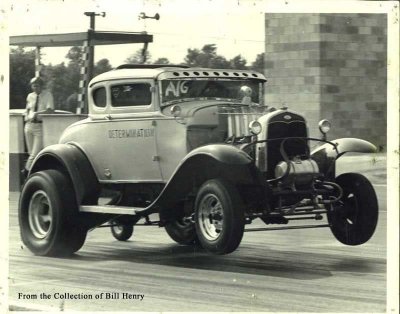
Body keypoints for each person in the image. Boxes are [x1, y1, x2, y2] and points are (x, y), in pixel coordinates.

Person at [22, 77, 54, 177]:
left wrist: (37, 113)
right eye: (33, 85)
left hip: (39, 127)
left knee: (34, 154)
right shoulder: (30, 96)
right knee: (31, 153)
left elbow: (50, 110)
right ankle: (32, 175)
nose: (35, 87)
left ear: (41, 86)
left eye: (37, 85)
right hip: (28, 126)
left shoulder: (47, 95)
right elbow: (27, 109)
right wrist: (27, 116)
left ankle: (26, 173)